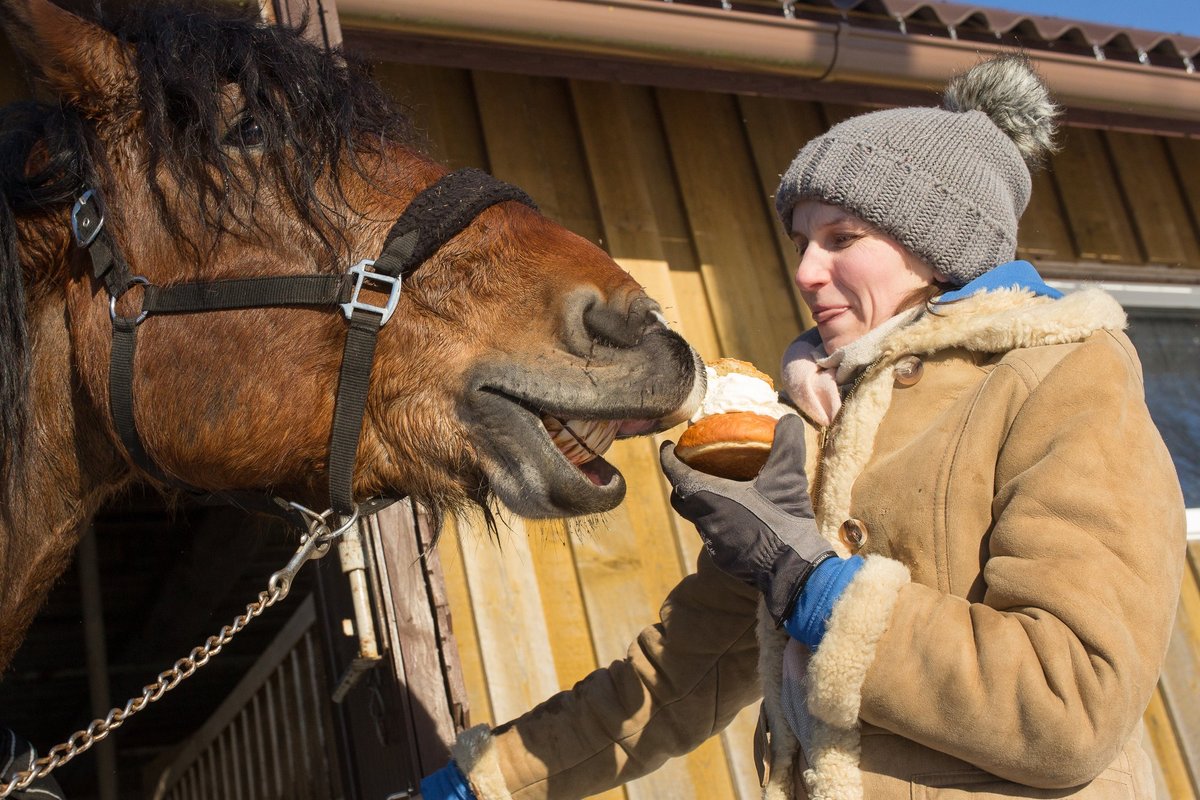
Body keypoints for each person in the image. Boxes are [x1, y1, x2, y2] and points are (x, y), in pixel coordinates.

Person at [419, 54, 1187, 800]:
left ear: (937, 244)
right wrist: (481, 783)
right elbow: (676, 679)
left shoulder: (1066, 377)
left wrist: (808, 579)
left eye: (842, 238)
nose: (805, 271)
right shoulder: (825, 424)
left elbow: (1070, 706)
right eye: (800, 242)